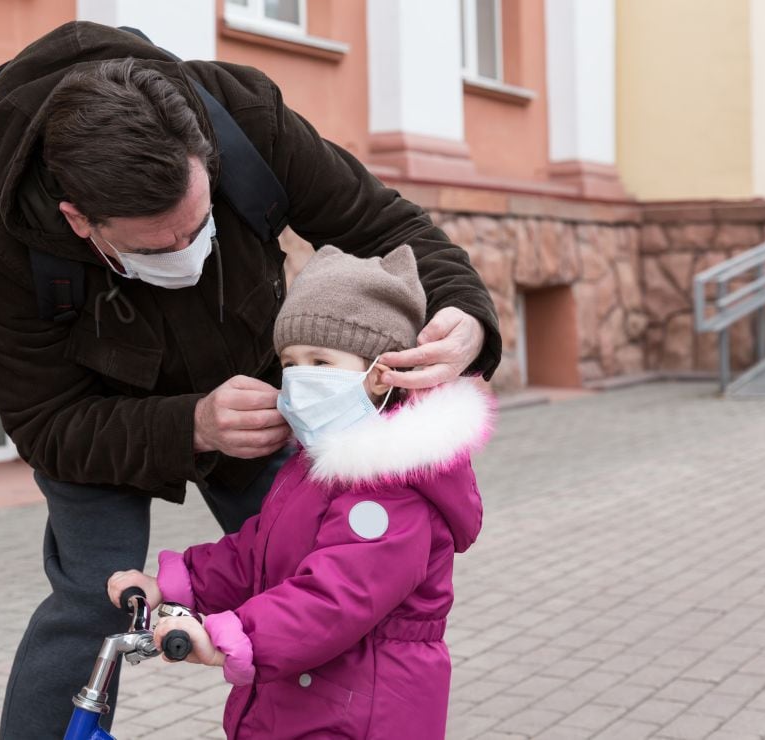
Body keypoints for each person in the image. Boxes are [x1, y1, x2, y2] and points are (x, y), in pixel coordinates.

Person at [0, 21, 501, 738]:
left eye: (200, 223)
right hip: (102, 422)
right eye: (160, 245)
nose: (189, 252)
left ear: (204, 159)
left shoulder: (242, 119)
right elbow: (44, 422)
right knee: (97, 603)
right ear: (79, 221)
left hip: (265, 395)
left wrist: (465, 312)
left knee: (311, 572)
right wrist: (189, 426)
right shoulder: (2, 230)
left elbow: (383, 225)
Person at [109, 245, 492, 739]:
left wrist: (236, 634)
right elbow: (258, 553)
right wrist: (178, 582)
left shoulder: (392, 491)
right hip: (304, 702)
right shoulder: (318, 465)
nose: (298, 378)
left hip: (360, 715)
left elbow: (335, 598)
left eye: (320, 360)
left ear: (379, 375)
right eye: (290, 362)